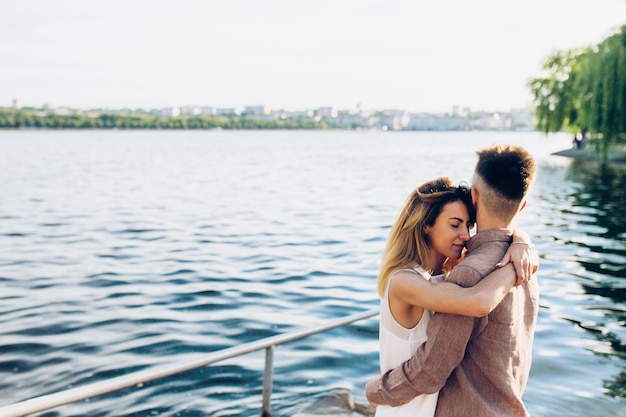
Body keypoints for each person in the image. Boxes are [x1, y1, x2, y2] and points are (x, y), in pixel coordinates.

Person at [366, 144, 538, 417]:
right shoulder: (406, 281)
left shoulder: (456, 273)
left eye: (467, 225)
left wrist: (521, 241)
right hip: (407, 410)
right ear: (426, 224)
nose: (466, 235)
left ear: (475, 196)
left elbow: (433, 367)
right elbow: (479, 302)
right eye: (455, 224)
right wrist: (518, 260)